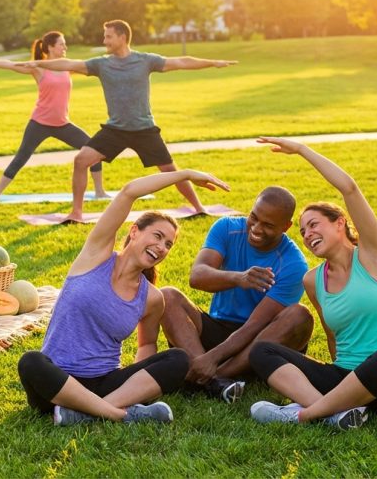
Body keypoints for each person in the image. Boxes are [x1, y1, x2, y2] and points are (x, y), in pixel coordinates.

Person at [18, 169, 230, 425]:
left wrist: (136, 384)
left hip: (106, 383)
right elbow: (129, 191)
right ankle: (116, 414)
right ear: (134, 231)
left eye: (168, 245)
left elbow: (146, 347)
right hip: (57, 382)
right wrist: (184, 174)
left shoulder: (151, 297)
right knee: (31, 362)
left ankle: (86, 412)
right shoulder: (95, 257)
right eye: (158, 236)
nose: (162, 247)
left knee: (178, 359)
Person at [247, 137, 377, 430]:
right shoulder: (313, 279)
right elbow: (333, 336)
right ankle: (335, 412)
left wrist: (301, 150)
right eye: (302, 230)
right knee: (262, 351)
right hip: (342, 377)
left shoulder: (373, 256)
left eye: (314, 224)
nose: (307, 234)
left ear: (339, 222)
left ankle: (306, 414)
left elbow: (349, 188)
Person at [21, 19, 237, 222]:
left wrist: (213, 62)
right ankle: (76, 213)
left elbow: (181, 61)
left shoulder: (145, 60)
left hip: (144, 129)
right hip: (115, 130)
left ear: (122, 37)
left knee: (171, 171)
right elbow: (69, 64)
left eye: (108, 37)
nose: (104, 41)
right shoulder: (101, 64)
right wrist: (38, 63)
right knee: (81, 161)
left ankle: (199, 208)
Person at [159, 187, 313, 403]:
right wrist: (238, 278)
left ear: (286, 227)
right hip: (219, 326)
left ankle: (211, 374)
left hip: (260, 342)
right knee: (167, 295)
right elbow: (197, 276)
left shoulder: (293, 263)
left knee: (300, 315)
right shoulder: (227, 227)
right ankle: (212, 379)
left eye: (268, 225)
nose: (257, 228)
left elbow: (255, 326)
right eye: (254, 217)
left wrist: (212, 358)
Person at [0, 31, 107, 203]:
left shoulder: (66, 66)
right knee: (21, 158)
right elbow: (10, 64)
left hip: (62, 123)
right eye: (61, 44)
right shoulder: (38, 68)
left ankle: (99, 192)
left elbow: (91, 65)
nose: (65, 47)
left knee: (92, 150)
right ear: (50, 47)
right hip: (39, 123)